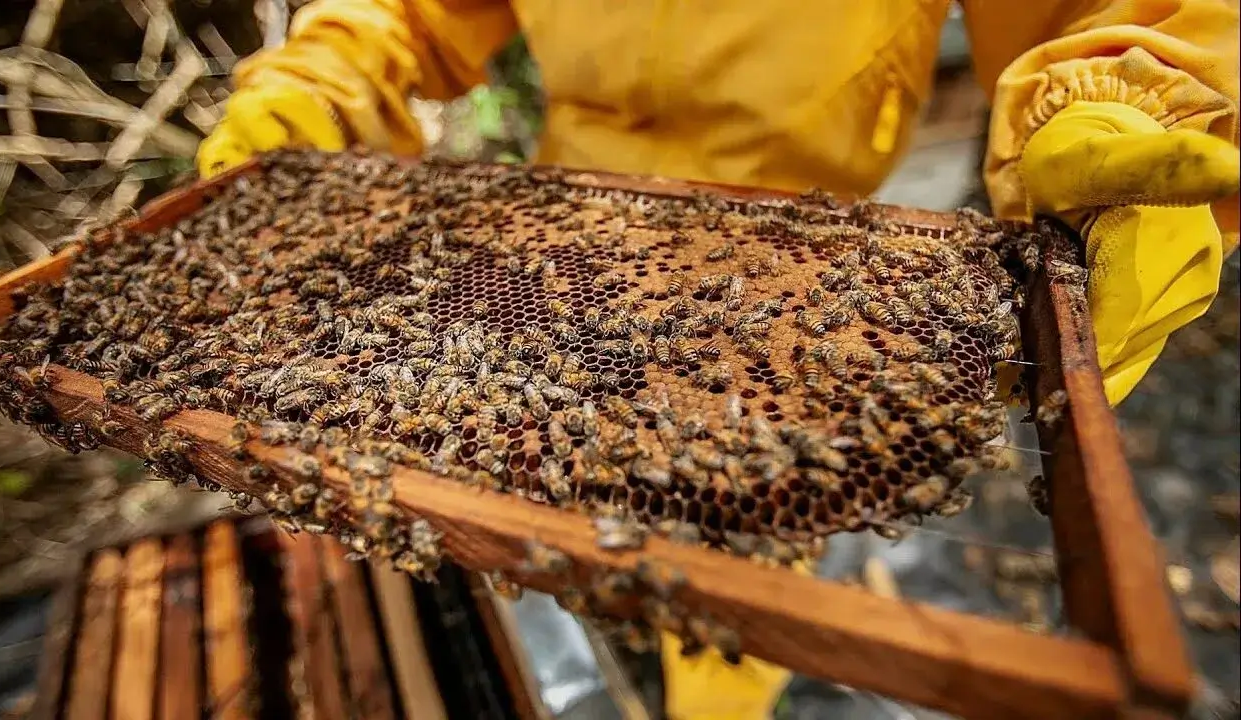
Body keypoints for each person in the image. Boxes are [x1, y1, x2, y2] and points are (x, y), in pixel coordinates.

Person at [197, 2, 1240, 717]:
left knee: (738, 547)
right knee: (535, 486)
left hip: (797, 270)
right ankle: (601, 598)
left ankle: (713, 680)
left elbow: (1103, 6)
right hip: (562, 240)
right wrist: (329, 74)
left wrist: (1131, 91)